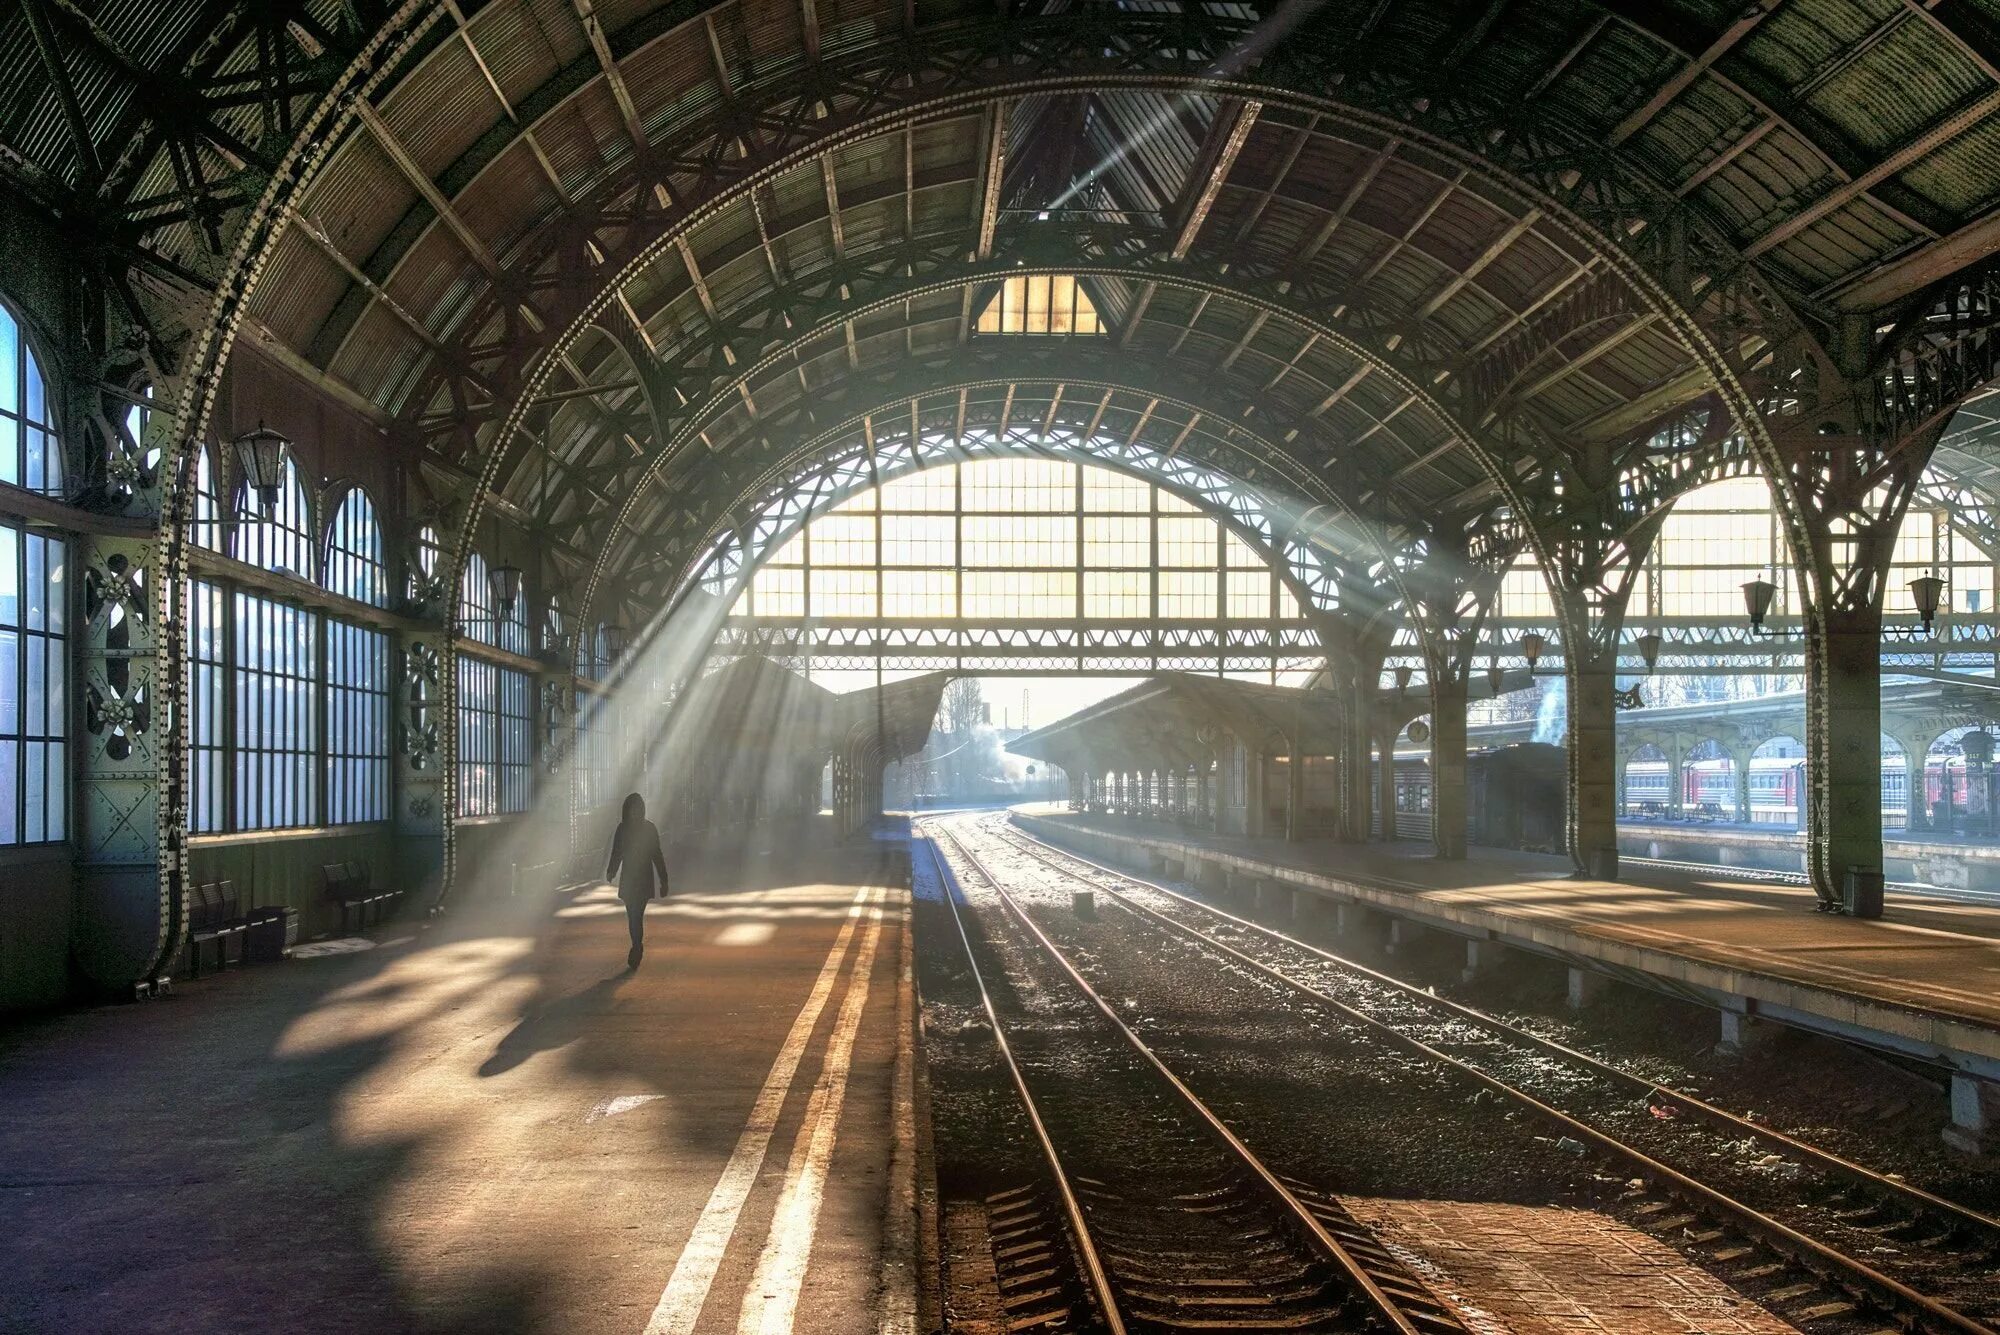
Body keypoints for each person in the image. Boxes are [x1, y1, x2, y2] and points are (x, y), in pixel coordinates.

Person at [605, 792, 669, 969]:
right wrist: (612, 870)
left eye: (637, 809)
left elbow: (657, 855)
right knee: (631, 915)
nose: (634, 812)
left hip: (643, 878)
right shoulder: (622, 829)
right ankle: (636, 944)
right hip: (628, 878)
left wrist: (664, 880)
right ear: (627, 810)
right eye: (632, 809)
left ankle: (636, 947)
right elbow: (616, 852)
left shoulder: (649, 829)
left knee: (636, 915)